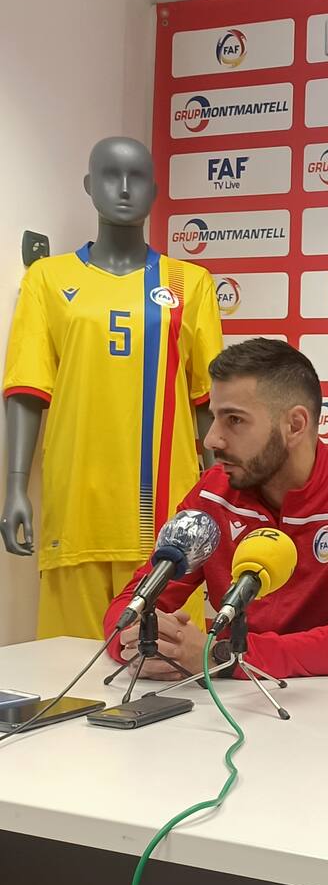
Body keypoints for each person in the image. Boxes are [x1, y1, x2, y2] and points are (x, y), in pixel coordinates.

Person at [2, 136, 222, 639]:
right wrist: (14, 487)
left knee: (165, 666)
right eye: (109, 175)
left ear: (156, 191)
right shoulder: (47, 279)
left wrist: (219, 502)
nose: (124, 188)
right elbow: (27, 390)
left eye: (137, 176)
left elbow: (210, 405)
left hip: (167, 521)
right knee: (65, 666)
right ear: (88, 185)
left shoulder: (190, 283)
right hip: (76, 509)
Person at [104, 339, 328, 678]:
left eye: (234, 420)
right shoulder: (212, 493)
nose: (211, 439)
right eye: (214, 417)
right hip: (237, 699)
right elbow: (131, 604)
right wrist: (140, 642)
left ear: (295, 425)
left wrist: (220, 657)